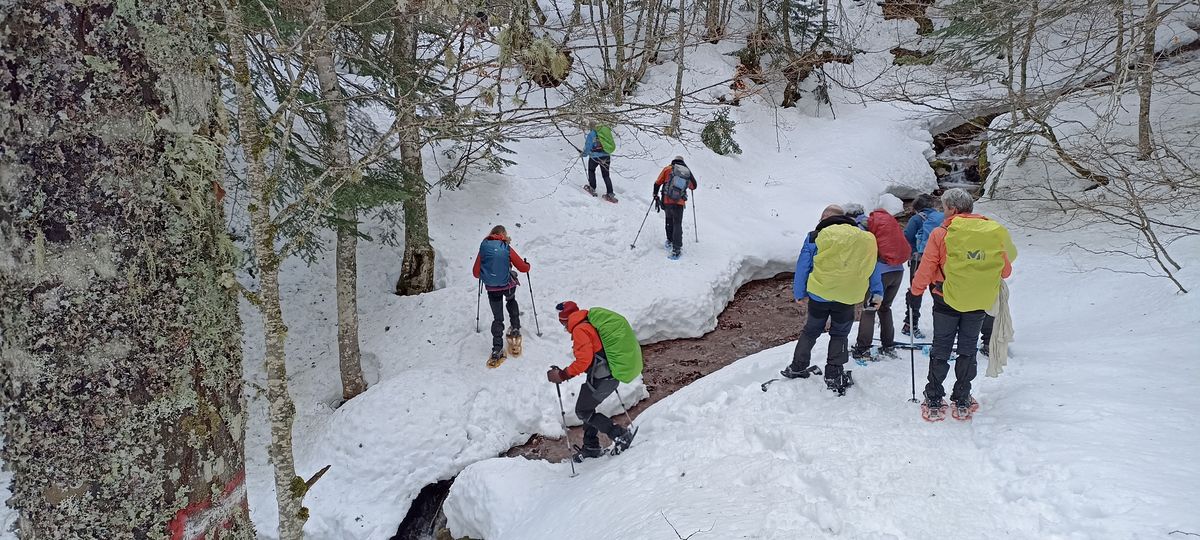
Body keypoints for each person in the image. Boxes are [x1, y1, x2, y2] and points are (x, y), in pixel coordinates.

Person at [910, 188, 1017, 421]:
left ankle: (935, 397)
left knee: (942, 347)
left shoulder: (941, 233)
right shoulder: (991, 231)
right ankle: (962, 397)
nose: (943, 211)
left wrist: (915, 291)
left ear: (953, 209)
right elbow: (1006, 270)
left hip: (946, 298)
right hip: (978, 300)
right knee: (967, 348)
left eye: (945, 207)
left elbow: (927, 266)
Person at [780, 205, 883, 395]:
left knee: (811, 330)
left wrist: (799, 292)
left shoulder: (815, 236)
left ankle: (797, 367)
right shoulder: (865, 238)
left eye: (823, 216)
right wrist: (877, 292)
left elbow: (804, 265)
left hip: (820, 293)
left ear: (827, 219)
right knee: (840, 333)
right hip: (848, 296)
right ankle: (834, 375)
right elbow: (872, 266)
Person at [546, 301, 636, 461]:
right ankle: (591, 446)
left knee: (583, 411)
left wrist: (562, 375)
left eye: (562, 323)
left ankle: (620, 435)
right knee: (587, 408)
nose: (564, 328)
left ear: (566, 319)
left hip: (603, 378)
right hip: (606, 376)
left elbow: (584, 361)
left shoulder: (580, 330)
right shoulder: (589, 323)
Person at [849, 206, 912, 361]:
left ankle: (863, 349)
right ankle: (888, 345)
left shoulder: (862, 225)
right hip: (897, 272)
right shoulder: (884, 222)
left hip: (880, 275)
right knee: (884, 308)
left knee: (870, 310)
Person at [472, 225, 531, 366]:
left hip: (492, 289)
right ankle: (515, 328)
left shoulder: (484, 248)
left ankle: (497, 348)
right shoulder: (506, 247)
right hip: (508, 286)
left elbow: (475, 273)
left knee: (497, 318)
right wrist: (527, 265)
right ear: (503, 234)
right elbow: (522, 268)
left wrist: (486, 275)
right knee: (511, 301)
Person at [902, 194, 945, 339]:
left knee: (916, 291)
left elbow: (907, 236)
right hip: (939, 261)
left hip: (919, 259)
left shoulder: (916, 219)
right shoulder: (941, 217)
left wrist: (913, 250)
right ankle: (942, 327)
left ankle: (910, 324)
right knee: (938, 293)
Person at [653, 155, 698, 260]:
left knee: (668, 220)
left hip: (667, 201)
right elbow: (693, 186)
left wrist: (655, 195)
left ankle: (669, 241)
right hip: (679, 202)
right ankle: (676, 249)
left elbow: (657, 183)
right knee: (677, 223)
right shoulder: (686, 171)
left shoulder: (667, 169)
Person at [582, 124, 617, 203]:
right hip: (606, 156)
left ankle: (592, 187)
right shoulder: (606, 131)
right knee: (606, 175)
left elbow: (588, 146)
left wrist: (584, 154)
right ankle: (610, 194)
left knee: (591, 170)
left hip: (595, 157)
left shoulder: (592, 134)